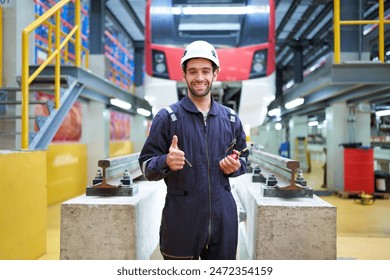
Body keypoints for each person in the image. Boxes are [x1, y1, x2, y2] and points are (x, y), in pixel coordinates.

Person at [138, 40, 249, 260]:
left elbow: (245, 158)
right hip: (181, 221)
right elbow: (145, 165)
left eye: (206, 71)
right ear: (184, 75)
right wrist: (165, 162)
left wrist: (235, 166)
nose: (200, 78)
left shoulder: (231, 118)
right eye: (193, 72)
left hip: (223, 222)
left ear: (216, 74)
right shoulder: (167, 118)